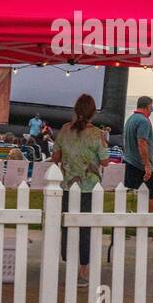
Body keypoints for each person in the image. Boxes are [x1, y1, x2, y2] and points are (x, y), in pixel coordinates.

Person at [51, 94, 110, 286]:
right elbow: (105, 161)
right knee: (86, 228)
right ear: (93, 113)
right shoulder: (97, 134)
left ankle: (69, 263)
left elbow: (56, 157)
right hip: (89, 188)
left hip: (68, 186)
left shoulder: (65, 130)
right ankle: (83, 271)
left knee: (67, 226)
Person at [122, 96, 153, 213]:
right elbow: (142, 143)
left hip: (129, 162)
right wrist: (147, 166)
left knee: (132, 198)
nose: (151, 111)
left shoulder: (130, 119)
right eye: (152, 108)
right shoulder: (143, 121)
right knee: (152, 197)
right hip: (140, 166)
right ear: (148, 107)